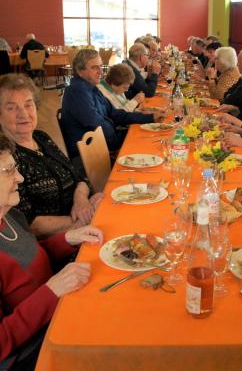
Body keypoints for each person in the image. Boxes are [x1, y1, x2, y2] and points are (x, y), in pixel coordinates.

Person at [0, 133, 103, 370]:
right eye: (8, 172)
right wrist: (51, 291)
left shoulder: (10, 216)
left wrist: (67, 238)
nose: (20, 177)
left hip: (58, 307)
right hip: (33, 347)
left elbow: (29, 256)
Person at [0, 73, 103, 236]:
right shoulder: (6, 158)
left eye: (28, 105)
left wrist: (82, 201)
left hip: (84, 218)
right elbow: (28, 223)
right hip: (60, 241)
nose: (23, 114)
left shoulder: (41, 138)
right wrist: (84, 218)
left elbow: (78, 177)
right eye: (11, 108)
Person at [61, 49, 159, 160]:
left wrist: (150, 117)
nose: (101, 72)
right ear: (79, 70)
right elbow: (97, 124)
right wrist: (118, 142)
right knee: (148, 144)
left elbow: (116, 114)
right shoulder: (77, 91)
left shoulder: (91, 88)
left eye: (100, 67)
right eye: (94, 68)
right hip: (91, 155)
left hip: (103, 144)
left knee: (147, 137)